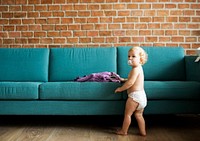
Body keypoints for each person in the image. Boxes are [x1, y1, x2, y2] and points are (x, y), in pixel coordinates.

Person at [115, 46, 148, 136]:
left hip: (134, 97)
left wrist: (120, 89)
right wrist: (124, 79)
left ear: (140, 59)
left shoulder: (135, 69)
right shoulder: (139, 69)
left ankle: (124, 131)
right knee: (139, 115)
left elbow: (130, 83)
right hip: (142, 97)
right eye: (129, 56)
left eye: (133, 56)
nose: (130, 58)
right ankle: (143, 132)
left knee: (128, 115)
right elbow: (132, 80)